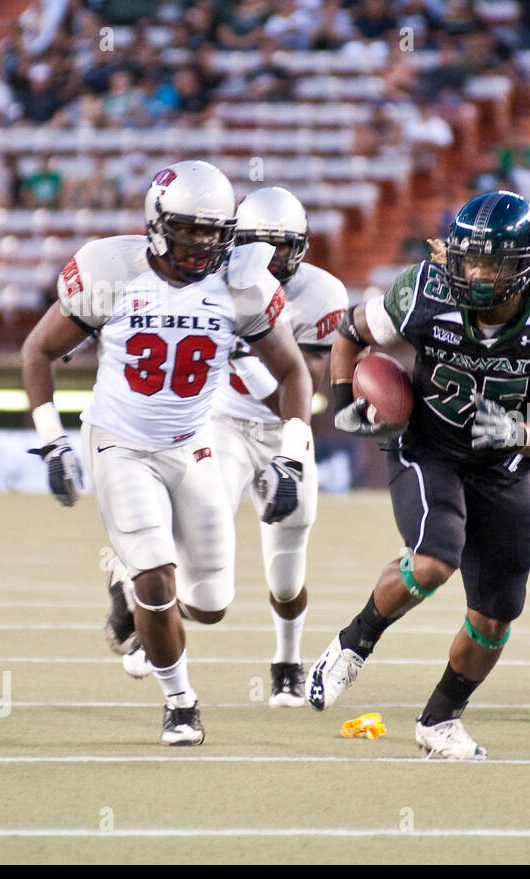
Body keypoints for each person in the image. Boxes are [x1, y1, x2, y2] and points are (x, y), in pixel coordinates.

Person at [20, 160, 313, 745]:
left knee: (209, 605)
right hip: (118, 441)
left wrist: (293, 456)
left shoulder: (243, 282)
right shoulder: (110, 269)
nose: (203, 243)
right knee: (158, 578)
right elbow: (37, 351)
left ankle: (126, 587)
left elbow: (294, 374)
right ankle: (180, 701)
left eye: (213, 230)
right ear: (157, 223)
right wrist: (52, 439)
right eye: (190, 228)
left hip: (194, 442)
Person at [308, 191, 530, 759]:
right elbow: (349, 332)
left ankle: (440, 719)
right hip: (428, 446)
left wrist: (514, 435)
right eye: (468, 260)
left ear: (525, 267)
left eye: (491, 264)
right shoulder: (424, 293)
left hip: (503, 466)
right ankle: (353, 643)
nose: (475, 274)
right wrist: (343, 400)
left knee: (495, 617)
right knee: (435, 558)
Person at [207, 186, 346, 707]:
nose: (267, 258)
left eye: (279, 245)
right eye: (255, 244)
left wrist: (250, 352)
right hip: (222, 423)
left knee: (286, 575)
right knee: (203, 528)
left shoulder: (323, 293)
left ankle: (287, 660)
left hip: (286, 431)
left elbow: (305, 389)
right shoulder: (212, 281)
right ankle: (143, 617)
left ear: (301, 246)